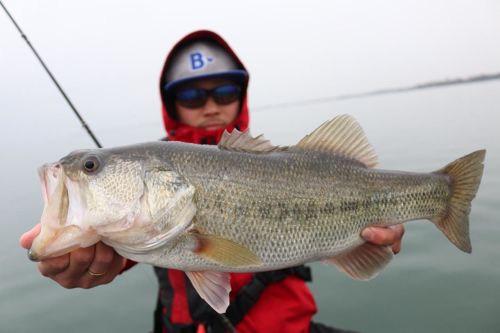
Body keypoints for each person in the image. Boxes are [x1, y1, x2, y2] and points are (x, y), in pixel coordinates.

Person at [20, 30, 405, 333]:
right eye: (190, 94)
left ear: (242, 95)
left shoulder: (290, 165)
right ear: (170, 105)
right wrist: (91, 261)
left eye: (225, 90)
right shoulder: (150, 194)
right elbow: (129, 244)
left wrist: (377, 224)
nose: (210, 105)